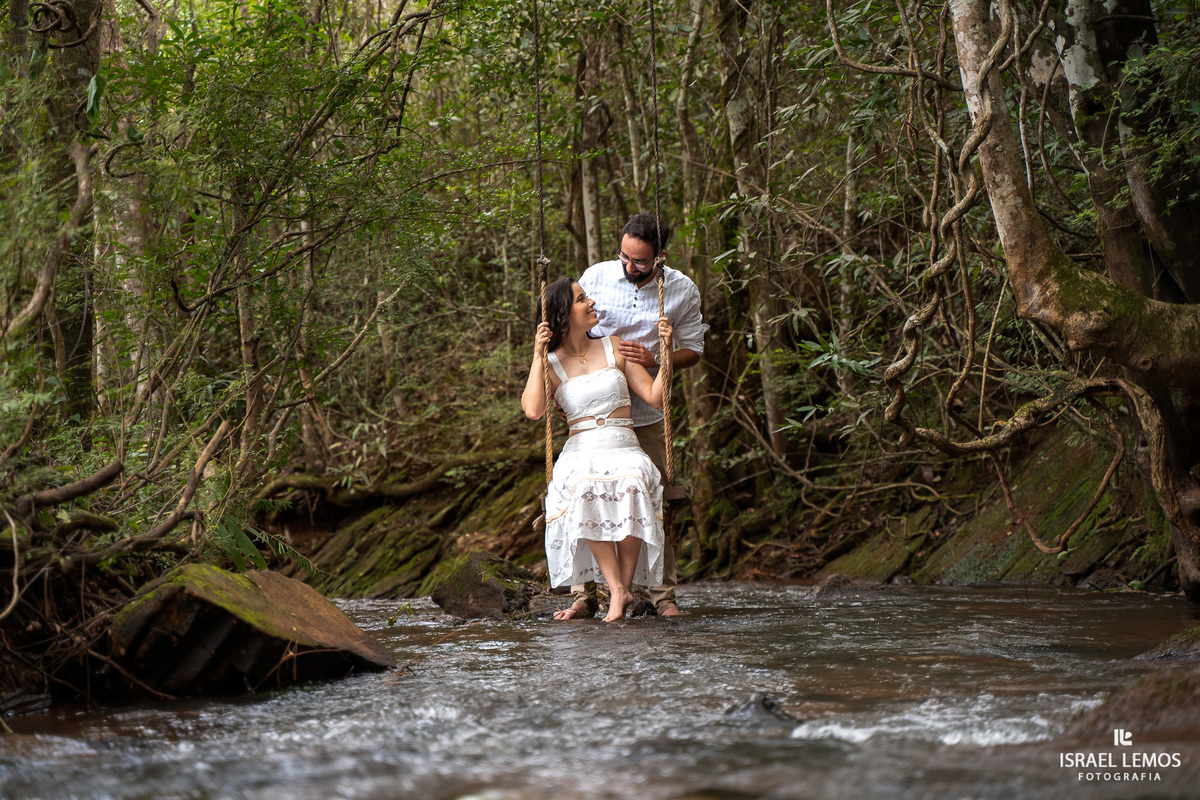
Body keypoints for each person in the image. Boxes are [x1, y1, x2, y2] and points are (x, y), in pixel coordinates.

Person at [556, 213, 707, 620]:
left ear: (660, 257)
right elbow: (571, 330)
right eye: (623, 256)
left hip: (645, 412)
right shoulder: (597, 277)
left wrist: (659, 356)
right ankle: (584, 593)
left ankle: (662, 594)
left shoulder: (680, 290)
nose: (628, 266)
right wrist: (565, 387)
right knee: (586, 496)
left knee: (653, 498)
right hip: (595, 413)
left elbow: (693, 350)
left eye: (639, 261)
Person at [521, 277, 674, 623]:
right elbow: (532, 410)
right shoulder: (552, 365)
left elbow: (655, 398)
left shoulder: (615, 347)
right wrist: (537, 354)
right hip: (581, 450)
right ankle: (618, 589)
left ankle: (622, 587)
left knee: (634, 480)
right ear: (563, 314)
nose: (591, 302)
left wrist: (666, 353)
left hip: (623, 444)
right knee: (583, 486)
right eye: (581, 299)